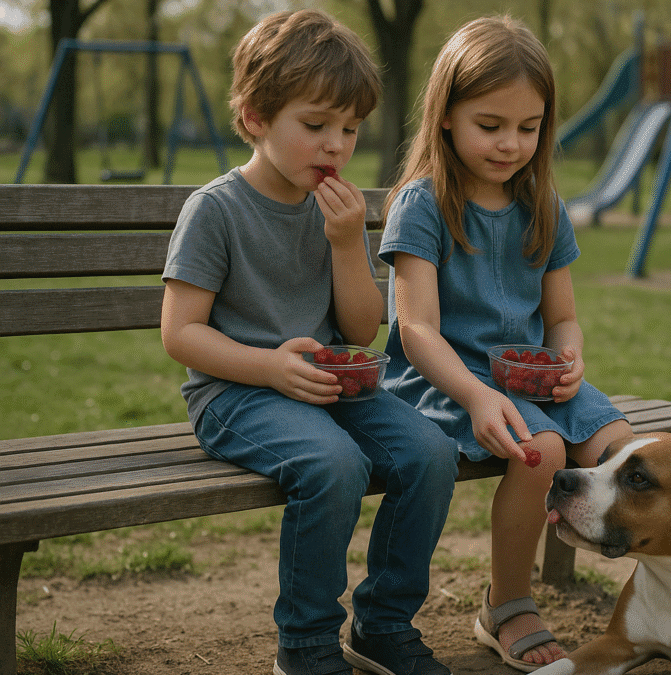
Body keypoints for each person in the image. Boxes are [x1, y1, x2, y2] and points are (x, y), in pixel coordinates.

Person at [159, 10, 458, 675]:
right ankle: (306, 642)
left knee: (432, 452)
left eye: (350, 129)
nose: (336, 146)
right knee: (333, 464)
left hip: (328, 383)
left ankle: (383, 622)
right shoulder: (216, 209)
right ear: (256, 116)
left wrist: (349, 245)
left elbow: (358, 330)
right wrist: (269, 366)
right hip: (235, 391)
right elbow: (180, 333)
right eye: (316, 125)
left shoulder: (335, 209)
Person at [378, 15, 633, 672]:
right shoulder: (423, 203)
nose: (511, 143)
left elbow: (564, 318)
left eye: (529, 127)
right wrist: (476, 393)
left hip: (531, 377)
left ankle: (664, 603)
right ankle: (508, 603)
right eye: (490, 126)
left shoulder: (541, 200)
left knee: (628, 452)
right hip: (444, 378)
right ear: (445, 116)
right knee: (540, 449)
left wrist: (572, 360)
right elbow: (417, 330)